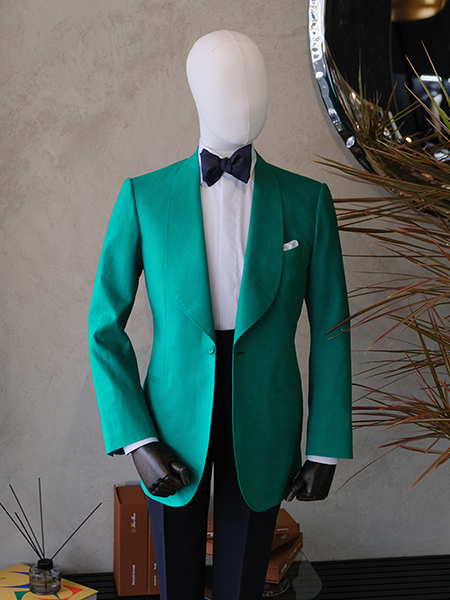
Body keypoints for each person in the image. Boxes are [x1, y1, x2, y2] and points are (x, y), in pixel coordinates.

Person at [88, 30, 352, 600]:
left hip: (266, 417)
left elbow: (332, 329)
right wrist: (136, 439)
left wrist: (324, 445)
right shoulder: (143, 197)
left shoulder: (307, 201)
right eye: (230, 84)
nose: (249, 100)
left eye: (257, 82)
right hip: (171, 422)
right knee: (175, 582)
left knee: (242, 585)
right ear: (197, 92)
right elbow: (104, 327)